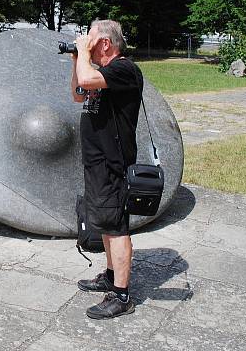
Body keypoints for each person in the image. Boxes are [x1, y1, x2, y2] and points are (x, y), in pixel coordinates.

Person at [71, 19, 143, 319]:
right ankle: (111, 276)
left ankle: (122, 295)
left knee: (116, 227)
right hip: (96, 161)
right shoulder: (100, 72)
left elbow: (86, 82)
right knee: (103, 221)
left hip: (113, 163)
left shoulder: (124, 69)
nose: (85, 41)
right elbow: (78, 92)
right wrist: (77, 59)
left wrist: (82, 55)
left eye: (89, 38)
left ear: (104, 44)